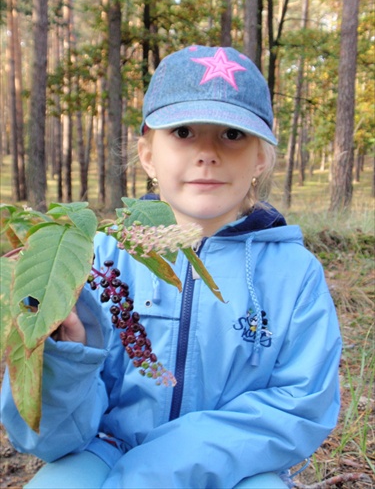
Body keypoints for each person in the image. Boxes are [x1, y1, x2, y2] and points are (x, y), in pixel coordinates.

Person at [1, 45, 342, 489]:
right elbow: (48, 438)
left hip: (239, 469)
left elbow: (301, 405)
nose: (207, 153)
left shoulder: (294, 274)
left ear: (261, 157)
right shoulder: (97, 258)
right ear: (147, 154)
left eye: (232, 135)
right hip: (105, 450)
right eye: (183, 131)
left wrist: (161, 466)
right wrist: (64, 354)